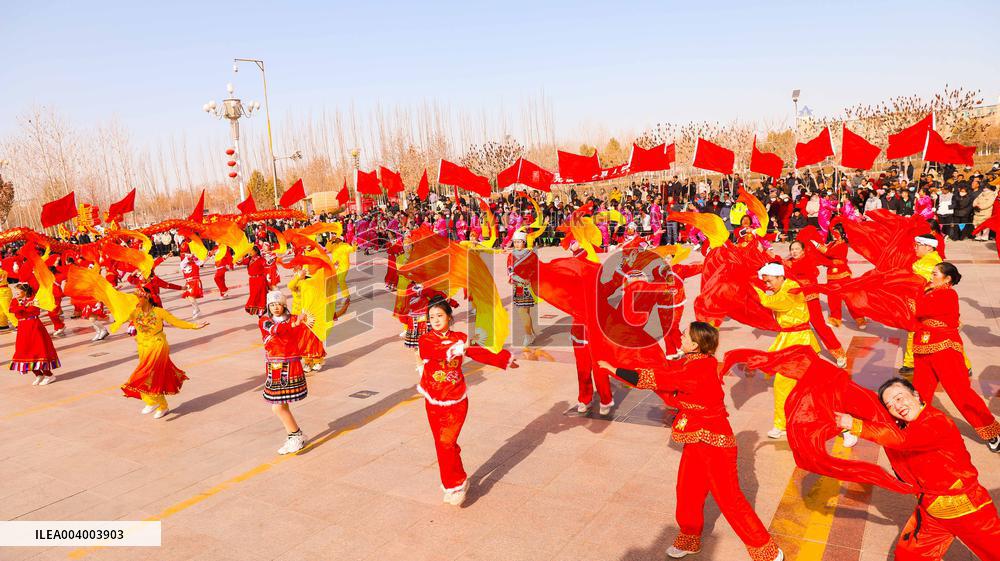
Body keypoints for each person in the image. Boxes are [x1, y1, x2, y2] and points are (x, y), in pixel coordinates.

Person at [597, 323, 785, 561]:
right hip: (696, 439)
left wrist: (613, 368)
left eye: (685, 335)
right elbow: (663, 367)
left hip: (715, 443)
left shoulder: (697, 370)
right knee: (687, 491)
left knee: (730, 499)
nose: (681, 337)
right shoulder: (693, 361)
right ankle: (689, 537)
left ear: (695, 344)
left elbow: (658, 377)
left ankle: (766, 549)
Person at [836, 378, 1000, 560]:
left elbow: (902, 441)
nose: (897, 406)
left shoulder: (936, 421)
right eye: (890, 405)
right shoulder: (905, 427)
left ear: (916, 394)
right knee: (908, 556)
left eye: (899, 398)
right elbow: (888, 430)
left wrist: (855, 425)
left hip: (968, 509)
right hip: (931, 510)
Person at [417, 295, 517, 505]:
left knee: (447, 441)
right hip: (433, 399)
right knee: (442, 444)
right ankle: (451, 484)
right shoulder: (425, 340)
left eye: (439, 315)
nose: (435, 320)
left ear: (449, 316)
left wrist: (505, 359)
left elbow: (481, 352)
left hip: (456, 399)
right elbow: (433, 351)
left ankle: (457, 482)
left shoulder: (461, 337)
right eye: (431, 317)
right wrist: (454, 348)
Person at [910, 262, 1000, 451]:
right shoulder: (927, 291)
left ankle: (992, 432)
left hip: (945, 350)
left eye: (935, 274)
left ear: (947, 278)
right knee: (919, 392)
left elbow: (921, 309)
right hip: (922, 347)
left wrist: (904, 296)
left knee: (960, 393)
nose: (931, 276)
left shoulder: (948, 294)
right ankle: (915, 428)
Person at [753, 263, 827, 441]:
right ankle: (783, 424)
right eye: (765, 283)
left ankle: (843, 427)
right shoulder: (785, 287)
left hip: (799, 343)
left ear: (780, 277)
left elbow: (767, 302)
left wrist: (749, 286)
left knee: (794, 385)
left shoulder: (790, 291)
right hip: (792, 341)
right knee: (803, 386)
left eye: (769, 282)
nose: (767, 286)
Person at [121, 287, 208, 418]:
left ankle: (151, 401)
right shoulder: (134, 312)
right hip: (143, 347)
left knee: (143, 374)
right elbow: (119, 316)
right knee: (152, 377)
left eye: (138, 298)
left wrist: (194, 326)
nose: (136, 300)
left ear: (147, 298)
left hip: (157, 345)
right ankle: (162, 406)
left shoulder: (159, 312)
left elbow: (176, 322)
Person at [259, 290, 310, 455]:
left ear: (284, 305)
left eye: (278, 304)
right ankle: (294, 435)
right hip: (274, 366)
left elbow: (303, 332)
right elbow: (275, 330)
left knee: (278, 406)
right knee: (279, 405)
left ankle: (295, 435)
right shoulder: (265, 321)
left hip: (290, 364)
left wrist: (304, 322)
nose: (275, 307)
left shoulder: (294, 318)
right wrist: (295, 324)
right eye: (272, 304)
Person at [783, 240, 847, 368]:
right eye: (792, 249)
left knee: (819, 325)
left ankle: (839, 354)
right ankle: (801, 356)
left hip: (810, 297)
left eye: (796, 249)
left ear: (802, 250)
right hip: (795, 300)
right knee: (796, 328)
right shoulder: (788, 263)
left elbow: (811, 273)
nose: (794, 251)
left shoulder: (808, 260)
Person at [900, 235, 943, 375]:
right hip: (926, 303)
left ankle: (911, 363)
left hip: (927, 305)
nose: (915, 247)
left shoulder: (926, 263)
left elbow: (914, 281)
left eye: (918, 244)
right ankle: (910, 362)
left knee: (938, 335)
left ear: (929, 247)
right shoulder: (929, 259)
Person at [8, 283, 60, 385]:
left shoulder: (34, 300)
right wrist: (23, 307)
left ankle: (49, 375)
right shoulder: (15, 301)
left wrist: (23, 307)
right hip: (23, 328)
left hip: (34, 327)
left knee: (37, 350)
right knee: (24, 350)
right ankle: (38, 374)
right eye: (16, 291)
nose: (16, 293)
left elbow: (34, 311)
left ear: (25, 292)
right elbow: (11, 309)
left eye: (18, 291)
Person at [507, 230, 537, 347]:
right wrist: (521, 279)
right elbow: (510, 271)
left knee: (523, 312)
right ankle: (531, 333)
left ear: (524, 242)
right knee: (525, 312)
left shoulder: (531, 255)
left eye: (519, 242)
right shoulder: (511, 255)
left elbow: (536, 268)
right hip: (519, 286)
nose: (517, 244)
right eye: (515, 242)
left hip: (527, 286)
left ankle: (528, 335)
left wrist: (529, 279)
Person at [244, 245, 268, 316]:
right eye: (249, 251)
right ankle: (258, 311)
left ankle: (261, 310)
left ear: (256, 251)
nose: (250, 252)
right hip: (252, 280)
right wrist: (241, 256)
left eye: (251, 250)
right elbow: (240, 262)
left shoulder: (260, 259)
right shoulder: (249, 259)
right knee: (254, 294)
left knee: (259, 295)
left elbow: (266, 264)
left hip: (260, 279)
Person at [178, 252, 203, 319]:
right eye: (190, 258)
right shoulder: (183, 265)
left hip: (195, 281)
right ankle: (196, 309)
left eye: (191, 258)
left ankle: (197, 310)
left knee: (191, 296)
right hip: (188, 282)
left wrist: (195, 257)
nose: (191, 259)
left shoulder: (196, 263)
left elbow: (201, 262)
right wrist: (189, 256)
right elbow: (184, 261)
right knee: (189, 297)